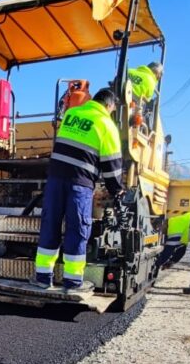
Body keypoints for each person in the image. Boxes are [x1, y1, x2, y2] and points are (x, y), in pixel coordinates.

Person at [34, 88, 123, 292]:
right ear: (109, 106)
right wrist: (116, 189)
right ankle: (73, 282)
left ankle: (42, 278)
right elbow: (112, 163)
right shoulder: (106, 124)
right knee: (77, 228)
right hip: (80, 184)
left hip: (55, 179)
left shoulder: (72, 114)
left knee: (50, 225)